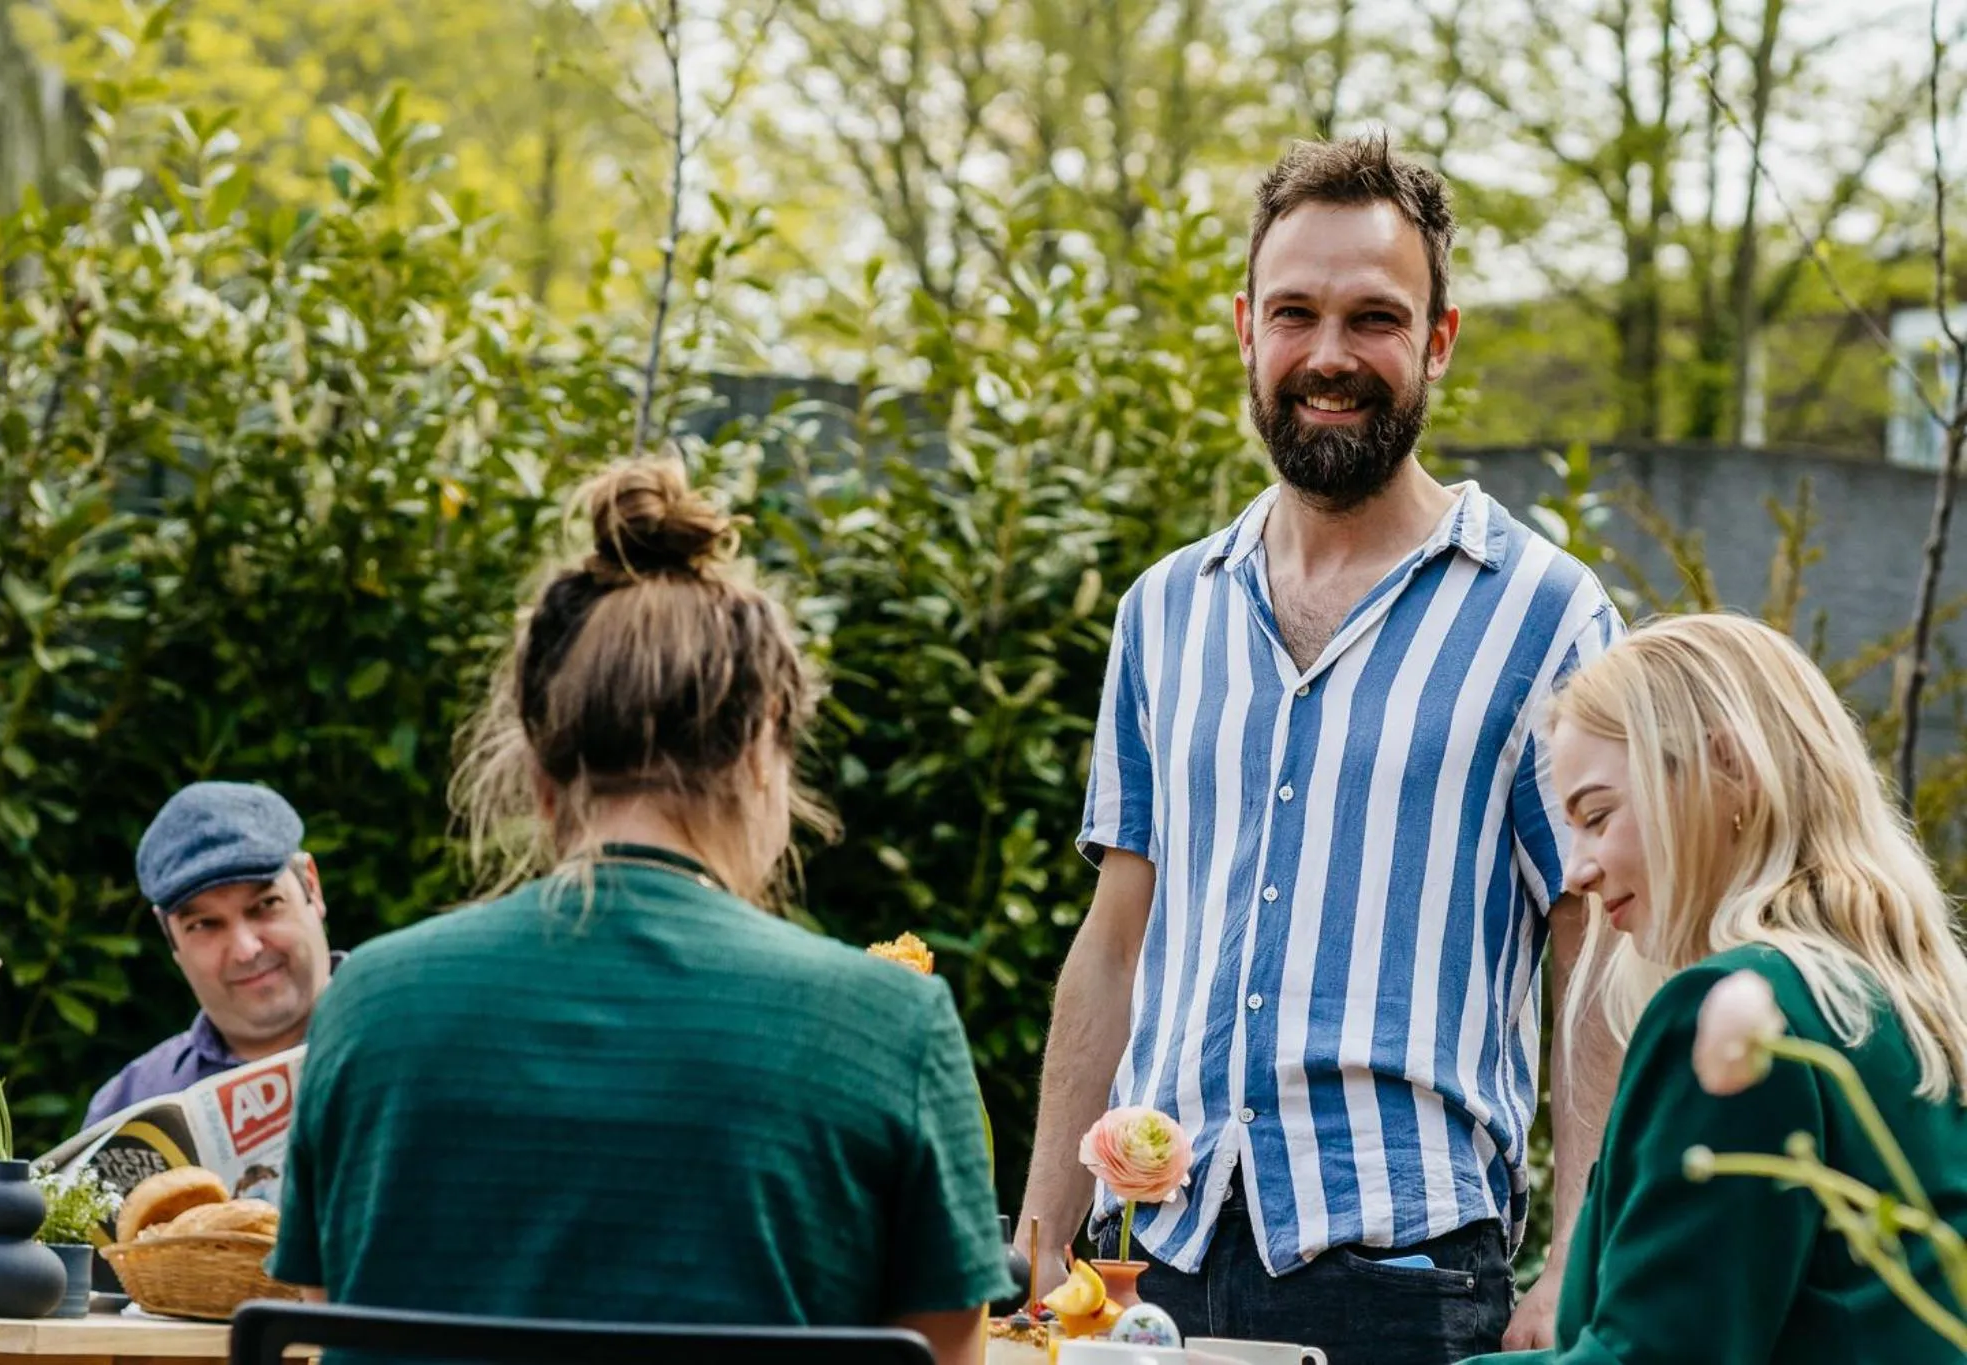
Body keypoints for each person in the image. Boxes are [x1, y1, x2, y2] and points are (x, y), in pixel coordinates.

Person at [1013, 132, 1625, 1365]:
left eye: (1374, 318)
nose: (1328, 356)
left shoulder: (1545, 617)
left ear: (1437, 340)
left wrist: (1580, 1254)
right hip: (1148, 1268)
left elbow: (1595, 946)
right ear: (1246, 328)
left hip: (1405, 1278)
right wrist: (1039, 1229)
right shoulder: (1162, 612)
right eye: (1294, 313)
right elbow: (1113, 940)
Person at [265, 458, 1012, 1365]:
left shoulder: (369, 1002)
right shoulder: (889, 1023)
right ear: (759, 755)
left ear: (539, 774)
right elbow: (947, 1355)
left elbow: (325, 1305)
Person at [1458, 613, 1967, 1365]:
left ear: (1727, 768)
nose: (1576, 873)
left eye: (1597, 816)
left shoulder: (1738, 1009)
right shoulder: (1906, 1004)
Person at [85, 781, 338, 1127]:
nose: (246, 950)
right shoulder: (129, 1106)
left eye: (266, 905)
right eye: (205, 925)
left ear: (312, 886)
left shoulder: (410, 1033)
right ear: (169, 936)